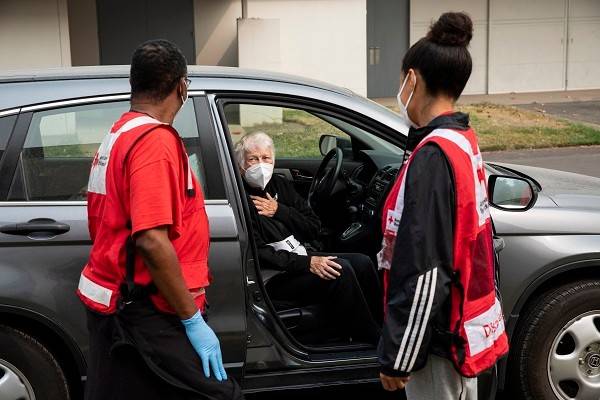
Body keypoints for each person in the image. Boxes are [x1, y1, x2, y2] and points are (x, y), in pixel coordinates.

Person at [77, 39, 243, 400]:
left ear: (134, 85)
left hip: (120, 304)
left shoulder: (119, 133)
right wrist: (191, 320)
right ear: (182, 86)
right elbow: (151, 239)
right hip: (151, 310)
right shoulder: (155, 142)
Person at [377, 12, 508, 400]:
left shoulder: (434, 156)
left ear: (412, 79)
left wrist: (400, 355)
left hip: (438, 342)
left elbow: (426, 268)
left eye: (402, 79)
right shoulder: (461, 139)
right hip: (457, 325)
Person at [234, 132, 382, 344]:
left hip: (296, 256)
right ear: (241, 165)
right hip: (273, 275)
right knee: (341, 271)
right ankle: (368, 338)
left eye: (266, 158)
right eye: (253, 159)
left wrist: (280, 211)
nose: (261, 164)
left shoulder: (279, 185)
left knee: (363, 262)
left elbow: (313, 227)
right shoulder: (240, 197)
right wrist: (307, 263)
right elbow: (260, 254)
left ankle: (380, 324)